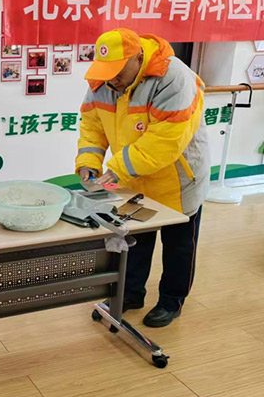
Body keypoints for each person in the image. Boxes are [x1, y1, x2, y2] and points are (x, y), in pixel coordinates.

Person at [75, 28, 209, 328]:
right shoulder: (103, 79)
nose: (112, 79)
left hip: (177, 178)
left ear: (138, 58)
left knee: (179, 245)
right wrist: (88, 162)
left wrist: (115, 170)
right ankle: (130, 294)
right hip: (133, 177)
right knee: (134, 239)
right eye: (107, 71)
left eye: (118, 71)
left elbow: (164, 142)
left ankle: (171, 301)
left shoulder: (174, 78)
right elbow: (92, 126)